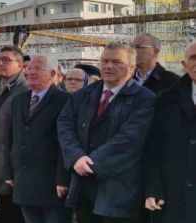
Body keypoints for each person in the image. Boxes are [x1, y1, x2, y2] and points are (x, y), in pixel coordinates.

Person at [57, 42, 156, 222]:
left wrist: (89, 164)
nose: (108, 66)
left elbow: (129, 140)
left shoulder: (144, 99)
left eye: (117, 61)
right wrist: (76, 157)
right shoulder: (85, 94)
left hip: (119, 191)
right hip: (84, 189)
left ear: (132, 67)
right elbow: (65, 124)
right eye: (104, 61)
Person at [9, 55, 71, 223]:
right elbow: (13, 138)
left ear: (52, 73)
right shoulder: (19, 101)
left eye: (37, 68)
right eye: (28, 68)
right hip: (24, 182)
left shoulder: (65, 101)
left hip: (51, 184)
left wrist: (62, 179)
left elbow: (65, 144)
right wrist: (10, 172)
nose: (30, 72)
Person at [144, 42, 196, 223]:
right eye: (193, 58)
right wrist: (152, 189)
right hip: (174, 195)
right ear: (184, 64)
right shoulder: (167, 100)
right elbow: (153, 147)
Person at [0, 46, 27, 223]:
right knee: (2, 211)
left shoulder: (26, 91)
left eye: (6, 60)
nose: (0, 63)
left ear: (20, 65)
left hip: (16, 166)